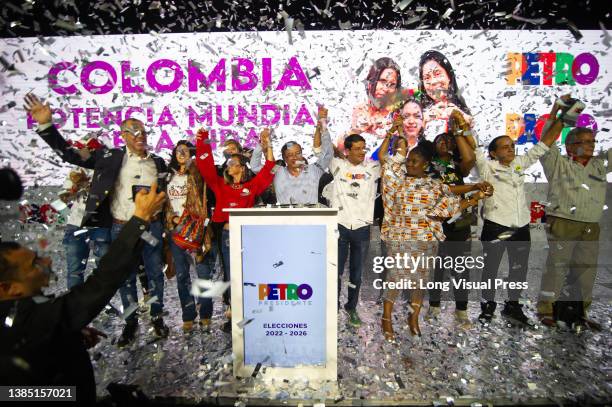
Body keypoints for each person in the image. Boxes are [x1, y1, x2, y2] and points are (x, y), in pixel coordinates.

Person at [0, 182, 166, 405]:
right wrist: (139, 218)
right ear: (8, 288)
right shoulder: (28, 321)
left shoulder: (25, 321)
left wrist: (65, 338)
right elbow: (101, 282)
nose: (48, 260)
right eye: (34, 263)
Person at [24, 94, 170, 347]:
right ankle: (130, 322)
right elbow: (70, 155)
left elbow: (163, 197)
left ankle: (157, 317)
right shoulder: (110, 157)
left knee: (155, 275)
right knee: (123, 277)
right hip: (120, 227)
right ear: (123, 135)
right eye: (133, 131)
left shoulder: (157, 162)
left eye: (143, 131)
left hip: (151, 227)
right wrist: (47, 126)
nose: (140, 136)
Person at [378, 135, 486, 341]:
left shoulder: (432, 185)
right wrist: (397, 142)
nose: (409, 163)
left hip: (426, 241)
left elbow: (449, 202)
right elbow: (386, 160)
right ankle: (386, 319)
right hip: (400, 239)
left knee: (419, 281)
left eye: (414, 161)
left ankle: (413, 318)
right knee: (395, 279)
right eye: (408, 160)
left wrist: (475, 192)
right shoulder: (394, 182)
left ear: (425, 164)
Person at [475, 100, 562, 327]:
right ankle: (487, 309)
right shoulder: (487, 168)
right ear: (493, 153)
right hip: (495, 225)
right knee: (490, 271)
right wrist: (463, 129)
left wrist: (561, 117)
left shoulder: (519, 164)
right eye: (504, 146)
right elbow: (472, 149)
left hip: (521, 226)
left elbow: (545, 143)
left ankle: (513, 308)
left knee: (518, 270)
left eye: (512, 145)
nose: (510, 149)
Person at [536, 96, 611, 329]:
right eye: (585, 141)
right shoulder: (558, 162)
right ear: (570, 145)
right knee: (557, 269)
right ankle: (546, 309)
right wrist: (556, 109)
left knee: (586, 271)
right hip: (564, 221)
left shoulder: (599, 164)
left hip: (590, 224)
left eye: (592, 141)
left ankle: (581, 312)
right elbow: (546, 140)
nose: (591, 145)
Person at [196, 128, 276, 331]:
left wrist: (267, 144)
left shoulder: (251, 186)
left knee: (248, 274)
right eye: (227, 162)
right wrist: (203, 141)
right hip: (227, 236)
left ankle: (250, 313)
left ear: (241, 167)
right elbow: (204, 167)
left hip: (247, 236)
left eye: (233, 162)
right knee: (231, 274)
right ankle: (233, 313)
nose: (229, 164)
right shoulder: (220, 185)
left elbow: (269, 168)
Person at [425, 111, 492, 327]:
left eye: (447, 141)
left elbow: (470, 158)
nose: (443, 143)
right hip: (437, 221)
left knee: (461, 268)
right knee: (438, 267)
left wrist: (458, 133)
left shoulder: (457, 164)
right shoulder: (428, 166)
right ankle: (434, 306)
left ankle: (461, 310)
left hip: (460, 220)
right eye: (439, 140)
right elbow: (442, 190)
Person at [324, 133, 380, 327]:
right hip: (340, 227)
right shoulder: (338, 165)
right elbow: (324, 148)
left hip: (362, 229)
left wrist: (390, 134)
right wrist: (322, 126)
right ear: (347, 151)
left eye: (363, 148)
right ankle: (333, 308)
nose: (361, 152)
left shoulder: (372, 168)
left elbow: (386, 155)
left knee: (357, 273)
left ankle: (351, 307)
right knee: (336, 271)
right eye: (356, 149)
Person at [165, 141, 216, 332]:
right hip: (176, 230)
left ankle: (205, 313)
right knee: (182, 276)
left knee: (203, 274)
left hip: (197, 231)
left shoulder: (197, 174)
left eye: (186, 150)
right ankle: (188, 314)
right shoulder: (168, 175)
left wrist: (194, 160)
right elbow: (165, 203)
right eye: (179, 150)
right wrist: (172, 219)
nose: (182, 153)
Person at [250, 106, 333, 205]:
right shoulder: (278, 171)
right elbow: (255, 167)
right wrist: (261, 144)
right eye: (290, 155)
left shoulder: (314, 169)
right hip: (287, 218)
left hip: (312, 217)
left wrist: (323, 124)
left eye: (298, 153)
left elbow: (327, 153)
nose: (295, 157)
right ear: (284, 158)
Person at [59, 164, 111, 290]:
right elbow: (63, 198)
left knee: (104, 271)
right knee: (74, 272)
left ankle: (99, 306)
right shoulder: (78, 169)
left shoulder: (110, 168)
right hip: (77, 224)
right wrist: (75, 187)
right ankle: (75, 307)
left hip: (102, 225)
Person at [418, 50, 472, 141]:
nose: (433, 81)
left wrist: (463, 123)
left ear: (449, 76)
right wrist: (422, 121)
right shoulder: (417, 114)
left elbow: (475, 148)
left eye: (437, 74)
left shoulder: (465, 109)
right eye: (427, 77)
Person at [350, 57, 402, 140]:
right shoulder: (357, 111)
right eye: (382, 81)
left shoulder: (399, 116)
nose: (385, 88)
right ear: (371, 81)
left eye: (392, 84)